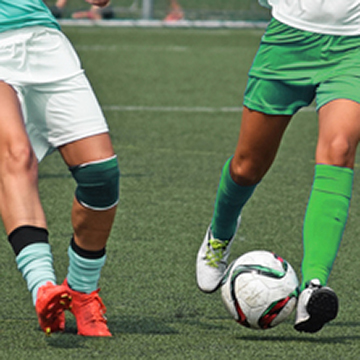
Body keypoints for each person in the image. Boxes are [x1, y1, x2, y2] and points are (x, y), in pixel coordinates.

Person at [196, 0, 360, 334]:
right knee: (246, 167)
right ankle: (220, 235)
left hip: (354, 45)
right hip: (289, 39)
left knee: (340, 149)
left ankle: (313, 286)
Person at [0, 0, 119, 336]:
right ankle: (44, 289)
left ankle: (82, 292)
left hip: (43, 40)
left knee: (101, 174)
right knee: (15, 156)